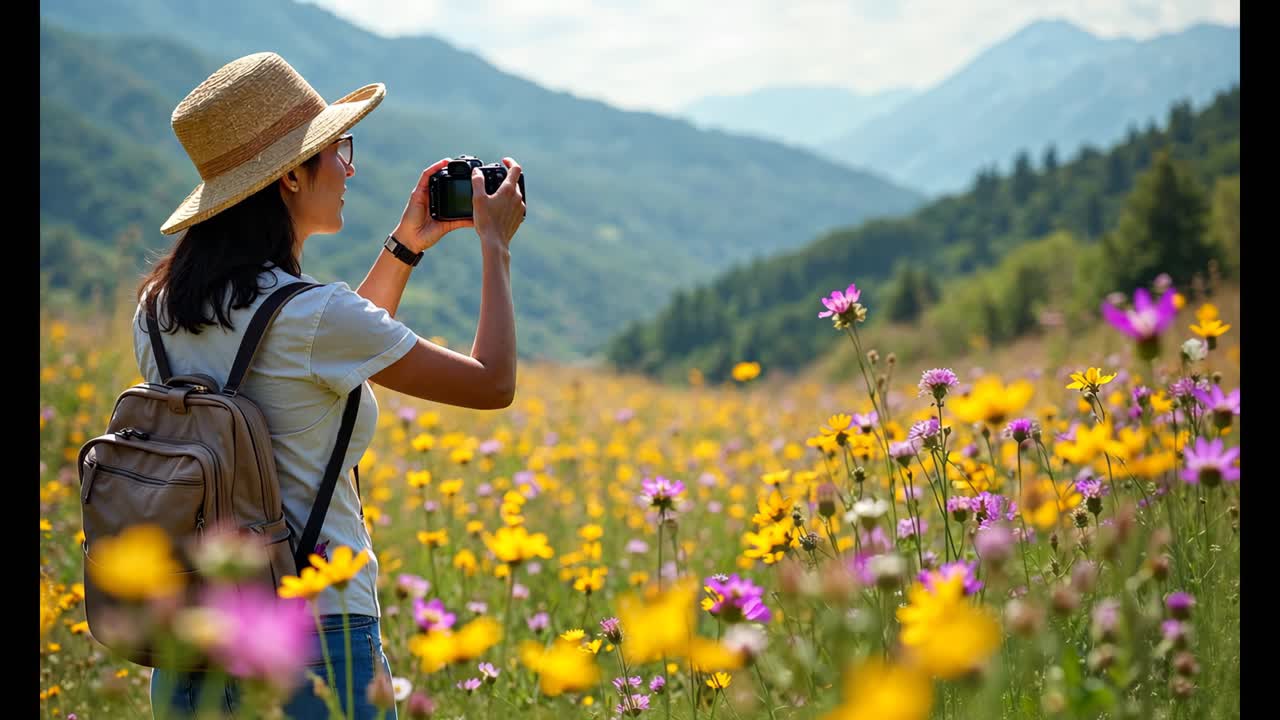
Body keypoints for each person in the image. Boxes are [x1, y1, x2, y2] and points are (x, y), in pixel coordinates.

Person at [136, 51, 525, 718]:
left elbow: (324, 355)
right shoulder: (313, 316)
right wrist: (496, 245)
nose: (348, 167)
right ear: (290, 174)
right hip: (316, 640)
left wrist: (404, 248)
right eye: (337, 150)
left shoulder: (158, 310)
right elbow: (492, 385)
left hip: (195, 635)